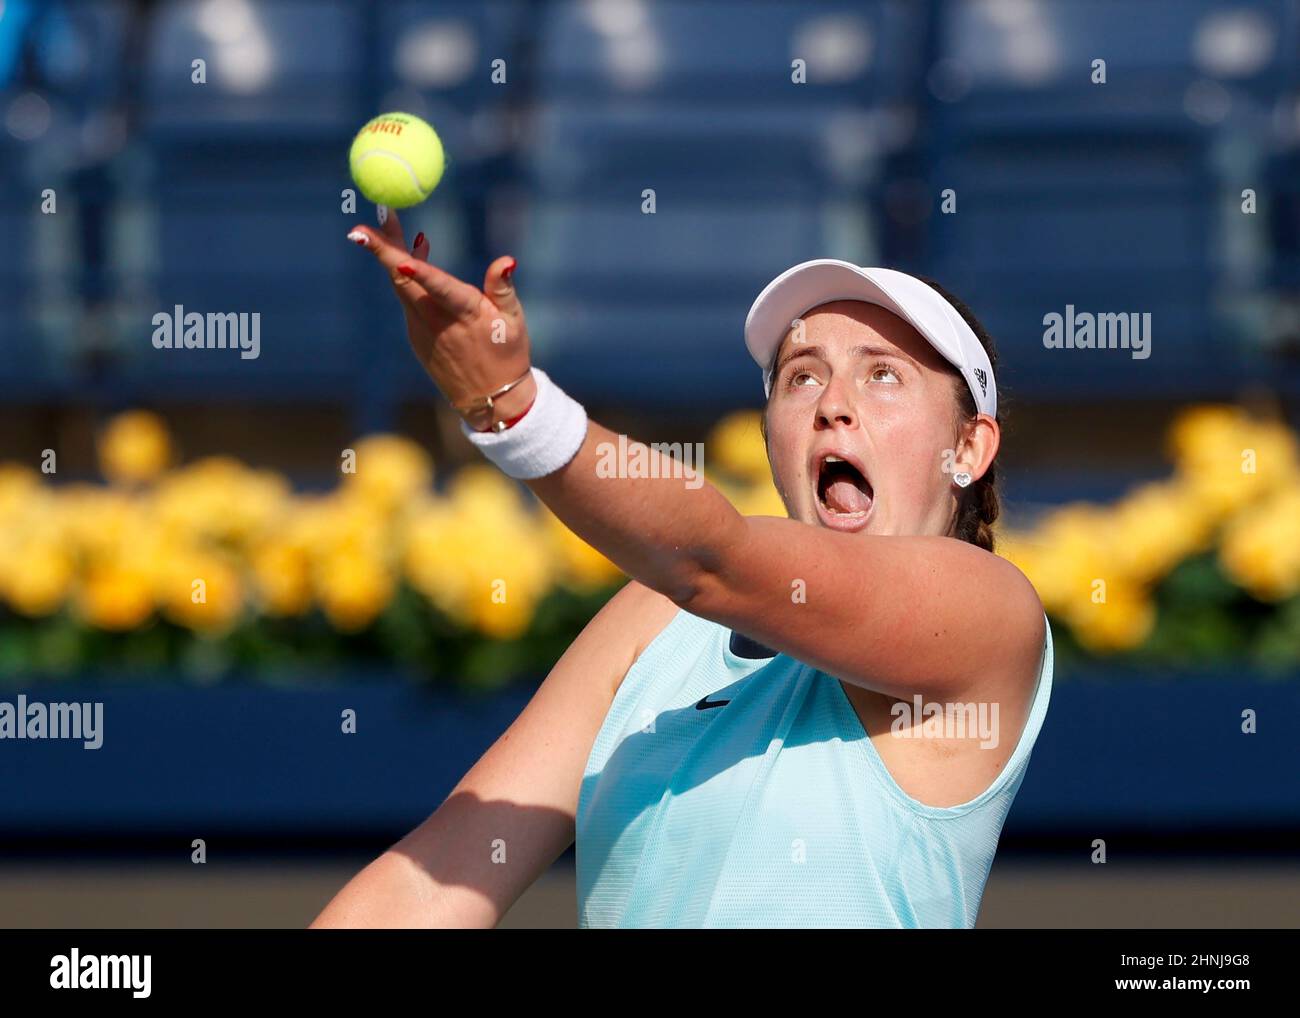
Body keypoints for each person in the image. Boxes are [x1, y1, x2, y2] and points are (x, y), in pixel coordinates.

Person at [311, 210, 1051, 929]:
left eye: (883, 375)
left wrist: (517, 410)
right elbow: (438, 879)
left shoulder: (990, 615)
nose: (833, 405)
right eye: (801, 377)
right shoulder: (652, 619)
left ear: (969, 448)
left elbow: (712, 556)